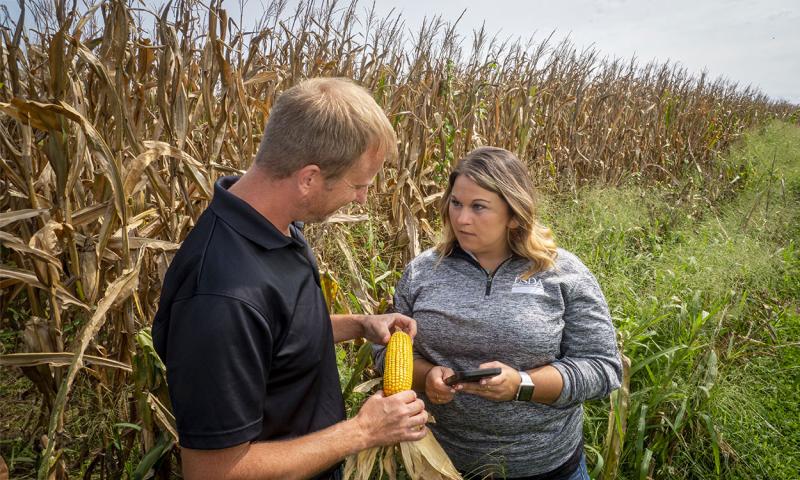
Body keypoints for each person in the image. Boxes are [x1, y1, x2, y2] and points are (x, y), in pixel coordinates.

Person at [152, 78, 428, 480]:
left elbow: (276, 335)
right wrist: (362, 431)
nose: (362, 200)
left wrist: (359, 326)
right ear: (308, 178)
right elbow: (213, 471)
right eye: (359, 185)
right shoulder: (220, 297)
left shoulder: (275, 227)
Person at [380, 146, 622, 479]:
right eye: (456, 203)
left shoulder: (562, 273)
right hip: (442, 465)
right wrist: (427, 377)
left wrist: (523, 384)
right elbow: (388, 350)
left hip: (547, 467)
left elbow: (602, 367)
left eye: (479, 207)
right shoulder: (422, 272)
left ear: (514, 214)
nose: (462, 218)